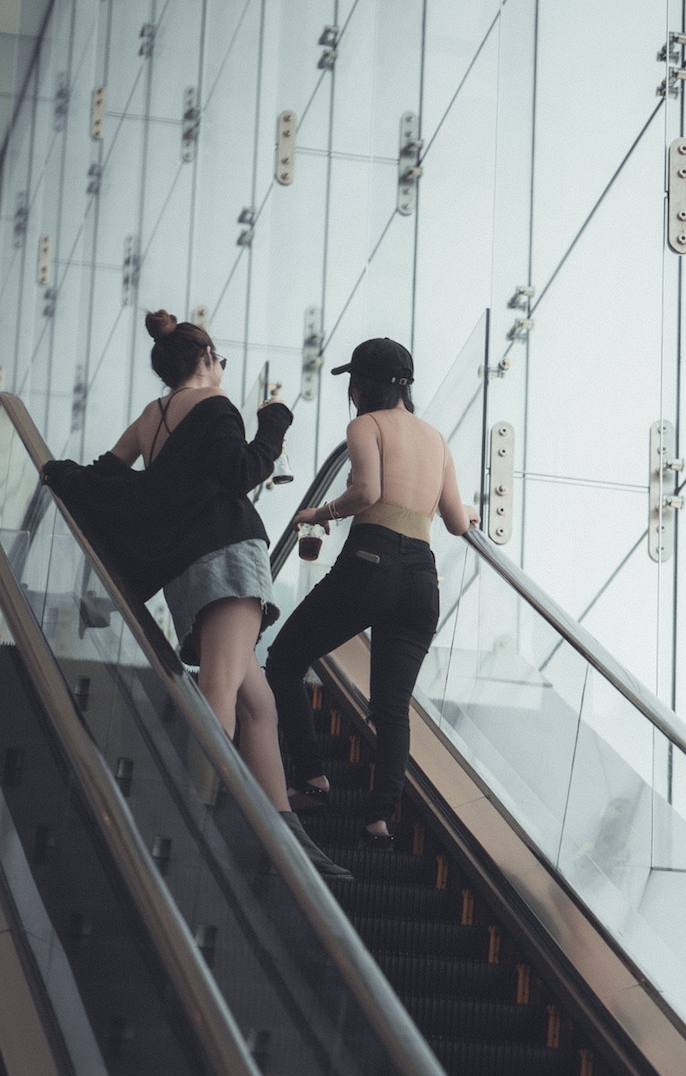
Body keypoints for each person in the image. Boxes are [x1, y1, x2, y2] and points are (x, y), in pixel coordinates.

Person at [44, 308, 352, 882]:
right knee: (222, 687)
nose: (223, 370)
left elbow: (105, 476)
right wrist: (275, 424)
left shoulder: (149, 418)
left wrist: (58, 473)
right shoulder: (214, 407)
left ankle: (286, 831)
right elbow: (243, 471)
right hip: (230, 553)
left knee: (258, 703)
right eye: (221, 360)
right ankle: (189, 818)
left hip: (186, 570)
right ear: (207, 360)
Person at [265, 337, 479, 848]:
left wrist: (318, 514)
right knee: (391, 706)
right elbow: (454, 522)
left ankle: (313, 779)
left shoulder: (365, 425)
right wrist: (471, 514)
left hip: (370, 562)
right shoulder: (438, 440)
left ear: (362, 384)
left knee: (284, 660)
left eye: (353, 382)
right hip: (421, 580)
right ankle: (379, 817)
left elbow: (366, 494)